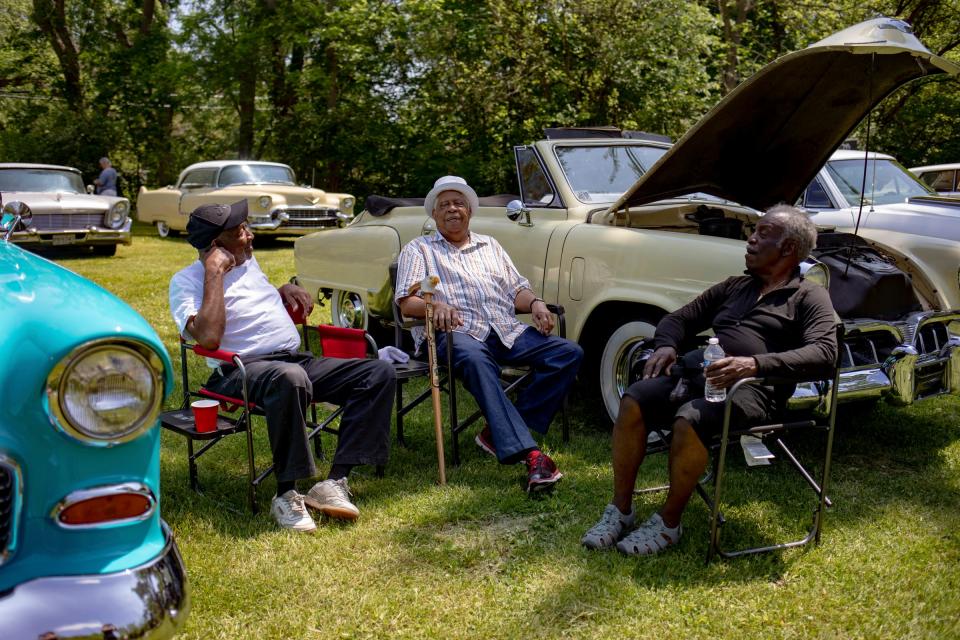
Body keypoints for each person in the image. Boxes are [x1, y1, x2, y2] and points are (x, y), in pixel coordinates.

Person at [582, 204, 837, 555]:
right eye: (754, 231)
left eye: (763, 234)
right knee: (635, 399)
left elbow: (826, 354)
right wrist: (666, 346)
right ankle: (621, 511)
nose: (751, 240)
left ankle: (669, 524)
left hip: (755, 392)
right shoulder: (736, 286)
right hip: (698, 375)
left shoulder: (809, 297)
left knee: (691, 418)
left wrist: (753, 365)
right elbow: (679, 318)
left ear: (789, 249)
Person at [169, 200, 395, 532]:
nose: (250, 236)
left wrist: (281, 291)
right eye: (240, 231)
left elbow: (247, 300)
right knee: (289, 378)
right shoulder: (186, 282)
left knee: (378, 371)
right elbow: (209, 338)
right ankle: (286, 493)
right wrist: (214, 273)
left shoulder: (247, 261)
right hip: (241, 372)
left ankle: (334, 482)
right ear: (216, 246)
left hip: (294, 361)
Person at [395, 176, 584, 493]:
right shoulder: (419, 250)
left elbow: (516, 292)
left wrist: (535, 303)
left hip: (504, 329)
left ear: (469, 210)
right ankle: (530, 454)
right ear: (434, 214)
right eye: (444, 205)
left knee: (567, 354)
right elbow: (406, 302)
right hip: (455, 333)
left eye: (458, 203)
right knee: (477, 360)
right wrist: (435, 305)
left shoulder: (490, 245)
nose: (452, 209)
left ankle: (497, 433)